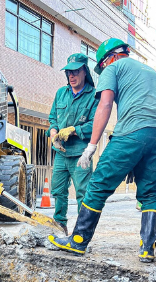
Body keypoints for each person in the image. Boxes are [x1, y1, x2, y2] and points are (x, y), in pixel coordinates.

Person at [48, 39, 156, 263]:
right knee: (150, 192)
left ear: (109, 58)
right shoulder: (152, 72)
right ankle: (147, 249)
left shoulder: (113, 67)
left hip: (132, 131)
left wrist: (92, 146)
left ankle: (78, 241)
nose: (103, 70)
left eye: (101, 66)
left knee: (98, 184)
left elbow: (105, 104)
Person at [47, 53, 100, 232]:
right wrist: (53, 132)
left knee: (83, 193)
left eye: (76, 71)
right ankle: (59, 225)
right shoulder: (61, 93)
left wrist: (74, 130)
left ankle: (82, 231)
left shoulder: (94, 96)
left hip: (80, 153)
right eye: (69, 72)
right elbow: (53, 118)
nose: (72, 76)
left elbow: (95, 124)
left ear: (85, 71)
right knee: (58, 190)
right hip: (61, 153)